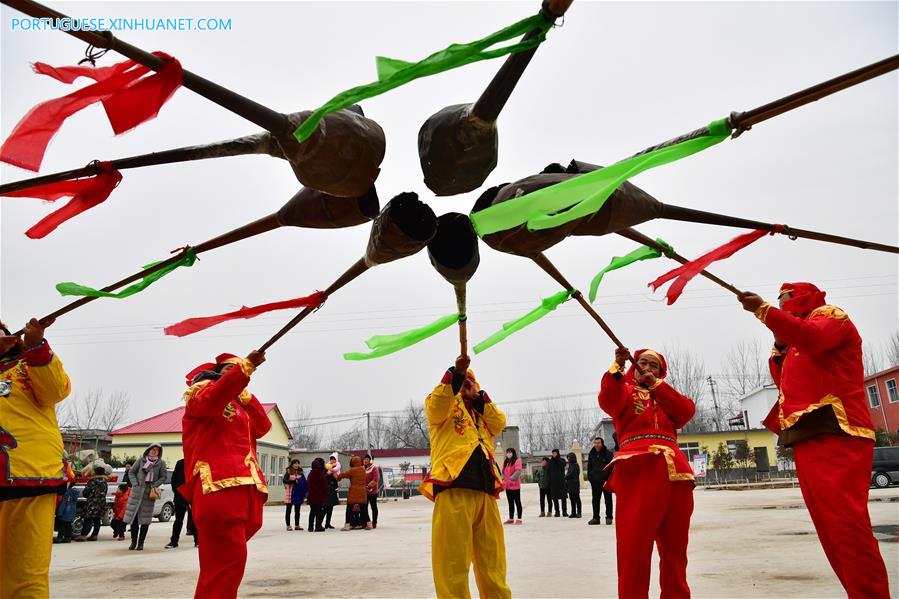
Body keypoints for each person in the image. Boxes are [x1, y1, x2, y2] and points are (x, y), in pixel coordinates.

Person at [738, 283, 890, 598]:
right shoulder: (791, 346)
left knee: (847, 527)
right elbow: (789, 388)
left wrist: (764, 311)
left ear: (805, 297)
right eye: (778, 303)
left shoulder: (830, 316)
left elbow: (815, 339)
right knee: (830, 531)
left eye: (786, 300)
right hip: (807, 436)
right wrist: (780, 346)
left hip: (838, 431)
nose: (781, 306)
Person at [599, 347, 696, 599]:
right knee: (634, 547)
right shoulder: (626, 391)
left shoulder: (667, 396)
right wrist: (617, 367)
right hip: (638, 467)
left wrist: (658, 386)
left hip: (676, 471)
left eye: (654, 365)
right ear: (634, 365)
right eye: (642, 362)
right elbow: (608, 401)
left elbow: (686, 412)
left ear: (661, 372)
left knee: (676, 549)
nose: (647, 368)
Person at [180, 350, 270, 599]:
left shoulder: (240, 405)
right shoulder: (202, 394)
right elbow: (214, 399)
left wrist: (245, 394)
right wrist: (245, 369)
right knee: (228, 565)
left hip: (246, 486)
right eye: (229, 371)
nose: (237, 373)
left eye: (238, 369)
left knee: (219, 567)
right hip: (219, 486)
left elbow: (263, 426)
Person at [419, 355, 510, 599]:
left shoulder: (483, 415)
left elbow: (500, 422)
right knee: (452, 565)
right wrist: (456, 375)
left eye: (472, 382)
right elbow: (437, 407)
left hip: (485, 494)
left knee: (493, 564)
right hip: (453, 488)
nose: (467, 385)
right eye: (463, 382)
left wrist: (478, 398)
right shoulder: (443, 406)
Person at [0, 317, 71, 599]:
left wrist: (36, 346)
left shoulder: (28, 364)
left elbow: (56, 390)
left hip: (29, 479)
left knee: (26, 577)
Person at [124, 443, 167, 550]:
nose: (154, 451)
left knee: (145, 520)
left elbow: (163, 476)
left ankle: (141, 543)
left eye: (157, 450)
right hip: (137, 493)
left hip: (149, 494)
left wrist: (154, 484)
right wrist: (135, 483)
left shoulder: (160, 463)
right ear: (148, 450)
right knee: (133, 519)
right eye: (153, 449)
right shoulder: (141, 460)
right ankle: (133, 542)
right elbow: (131, 473)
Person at [166, 458, 196, 548]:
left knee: (195, 519)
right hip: (180, 495)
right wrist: (177, 491)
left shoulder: (196, 462)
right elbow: (174, 479)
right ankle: (174, 541)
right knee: (178, 520)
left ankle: (198, 541)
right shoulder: (180, 463)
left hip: (193, 495)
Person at [337, 455, 370, 530]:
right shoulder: (363, 469)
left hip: (353, 492)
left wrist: (338, 477)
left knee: (349, 510)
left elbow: (344, 474)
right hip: (362, 491)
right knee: (364, 510)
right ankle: (369, 524)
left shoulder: (352, 470)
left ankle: (347, 526)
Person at [587, 436, 614, 525]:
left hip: (606, 481)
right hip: (595, 482)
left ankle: (609, 517)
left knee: (608, 499)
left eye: (598, 443)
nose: (596, 445)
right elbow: (589, 467)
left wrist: (609, 480)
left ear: (602, 443)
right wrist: (590, 478)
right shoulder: (591, 454)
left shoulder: (608, 454)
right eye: (595, 443)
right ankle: (596, 518)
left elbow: (612, 468)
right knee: (595, 500)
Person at [283, 461, 308, 531]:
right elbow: (284, 480)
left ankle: (297, 525)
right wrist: (293, 481)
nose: (296, 465)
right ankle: (288, 525)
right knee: (288, 510)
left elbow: (304, 481)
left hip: (298, 493)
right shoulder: (289, 471)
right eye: (295, 463)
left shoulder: (300, 471)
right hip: (290, 492)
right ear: (292, 464)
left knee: (297, 510)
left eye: (297, 463)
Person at [306, 457, 328, 532]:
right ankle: (318, 526)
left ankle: (310, 527)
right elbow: (324, 485)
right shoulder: (320, 474)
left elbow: (308, 484)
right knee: (319, 511)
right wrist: (325, 494)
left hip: (312, 496)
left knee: (312, 511)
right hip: (319, 496)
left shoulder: (310, 474)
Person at [502, 448, 523, 525]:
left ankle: (519, 518)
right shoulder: (506, 462)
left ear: (513, 453)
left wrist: (511, 479)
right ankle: (511, 518)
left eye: (510, 452)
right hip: (507, 486)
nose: (509, 454)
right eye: (507, 452)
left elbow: (518, 471)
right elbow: (503, 472)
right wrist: (503, 478)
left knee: (517, 502)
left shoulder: (517, 460)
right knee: (510, 502)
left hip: (515, 486)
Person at [547, 448, 567, 517]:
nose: (554, 454)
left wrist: (557, 458)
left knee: (563, 498)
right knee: (555, 498)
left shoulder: (562, 460)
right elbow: (548, 472)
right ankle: (557, 512)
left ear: (558, 453)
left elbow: (563, 465)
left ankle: (564, 511)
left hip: (561, 482)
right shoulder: (550, 462)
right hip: (553, 483)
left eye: (555, 453)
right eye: (553, 453)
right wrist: (549, 482)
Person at [324, 456, 340, 530]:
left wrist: (336, 487)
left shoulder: (335, 469)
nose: (333, 461)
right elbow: (323, 478)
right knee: (325, 509)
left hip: (332, 491)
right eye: (332, 460)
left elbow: (335, 480)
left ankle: (328, 523)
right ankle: (320, 522)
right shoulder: (325, 469)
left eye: (334, 460)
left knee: (330, 509)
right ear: (329, 461)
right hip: (326, 492)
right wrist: (328, 473)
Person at [364, 454, 380, 528]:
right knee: (364, 507)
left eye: (367, 459)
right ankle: (367, 522)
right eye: (364, 459)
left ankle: (374, 522)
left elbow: (376, 479)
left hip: (372, 491)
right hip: (364, 491)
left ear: (369, 460)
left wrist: (369, 486)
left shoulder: (374, 468)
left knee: (373, 507)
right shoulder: (363, 468)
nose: (365, 460)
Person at [565, 452, 582, 519]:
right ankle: (573, 512)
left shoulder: (575, 465)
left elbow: (571, 474)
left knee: (577, 499)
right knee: (572, 499)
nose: (568, 459)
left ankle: (579, 512)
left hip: (575, 484)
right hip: (570, 484)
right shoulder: (570, 465)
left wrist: (565, 477)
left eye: (569, 458)